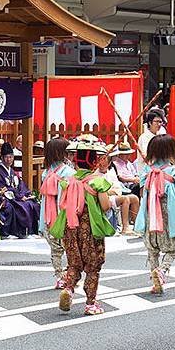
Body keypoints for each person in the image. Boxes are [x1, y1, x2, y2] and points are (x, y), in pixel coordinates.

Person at [49, 134, 114, 316]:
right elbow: (106, 205)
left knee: (74, 264)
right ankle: (90, 303)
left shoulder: (69, 181)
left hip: (71, 228)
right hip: (91, 230)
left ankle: (68, 290)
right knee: (93, 266)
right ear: (94, 160)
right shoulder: (97, 181)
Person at [134, 134, 175, 294]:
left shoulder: (147, 170)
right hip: (168, 216)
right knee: (173, 248)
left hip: (150, 214)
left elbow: (142, 192)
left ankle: (155, 279)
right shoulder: (173, 170)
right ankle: (161, 271)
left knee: (152, 249)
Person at [39, 138, 75, 290]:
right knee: (70, 248)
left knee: (55, 250)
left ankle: (59, 275)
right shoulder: (69, 172)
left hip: (48, 215)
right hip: (63, 215)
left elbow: (43, 199)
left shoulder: (46, 173)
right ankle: (69, 275)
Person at [0, 142, 40, 238]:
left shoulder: (12, 171)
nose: (9, 160)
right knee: (20, 206)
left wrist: (26, 194)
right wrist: (20, 196)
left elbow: (20, 185)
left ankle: (29, 231)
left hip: (17, 196)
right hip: (7, 198)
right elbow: (2, 187)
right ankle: (15, 231)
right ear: (2, 158)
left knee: (32, 204)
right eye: (7, 157)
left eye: (11, 157)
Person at [96, 151, 139, 235]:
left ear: (108, 164)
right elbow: (103, 190)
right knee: (125, 199)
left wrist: (113, 191)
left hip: (114, 194)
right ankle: (125, 227)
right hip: (105, 198)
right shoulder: (96, 173)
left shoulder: (111, 171)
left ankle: (136, 225)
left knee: (134, 198)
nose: (101, 167)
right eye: (100, 164)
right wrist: (111, 191)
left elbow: (117, 186)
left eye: (104, 165)